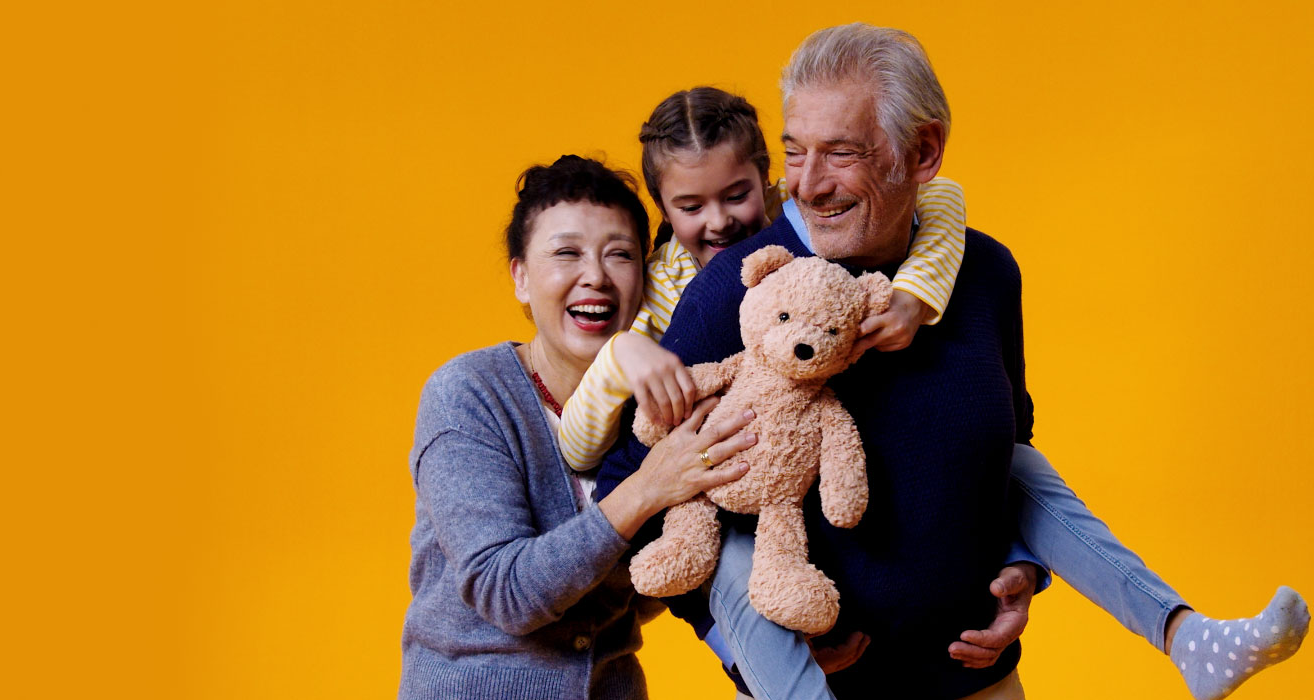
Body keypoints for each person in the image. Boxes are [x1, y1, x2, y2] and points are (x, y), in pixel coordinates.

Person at [590, 25, 1307, 700]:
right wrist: (733, 640)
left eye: (840, 152)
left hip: (978, 682)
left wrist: (1023, 573)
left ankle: (1187, 636)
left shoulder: (986, 273)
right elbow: (638, 494)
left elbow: (1007, 448)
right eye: (794, 150)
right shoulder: (741, 289)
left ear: (923, 152)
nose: (806, 183)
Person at [399, 155, 756, 700]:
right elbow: (506, 592)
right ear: (520, 277)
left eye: (620, 255)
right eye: (566, 253)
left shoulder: (654, 405)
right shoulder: (469, 394)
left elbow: (661, 576)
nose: (596, 276)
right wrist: (649, 488)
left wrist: (769, 639)